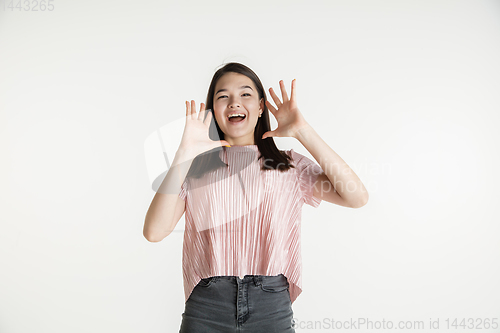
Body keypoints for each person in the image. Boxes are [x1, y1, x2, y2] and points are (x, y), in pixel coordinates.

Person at [143, 62, 369, 332]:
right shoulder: (194, 170)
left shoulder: (288, 166)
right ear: (213, 110)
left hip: (270, 304)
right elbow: (154, 232)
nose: (234, 103)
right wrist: (183, 154)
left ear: (261, 106)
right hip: (206, 306)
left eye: (245, 94)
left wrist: (302, 131)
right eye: (223, 96)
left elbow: (357, 197)